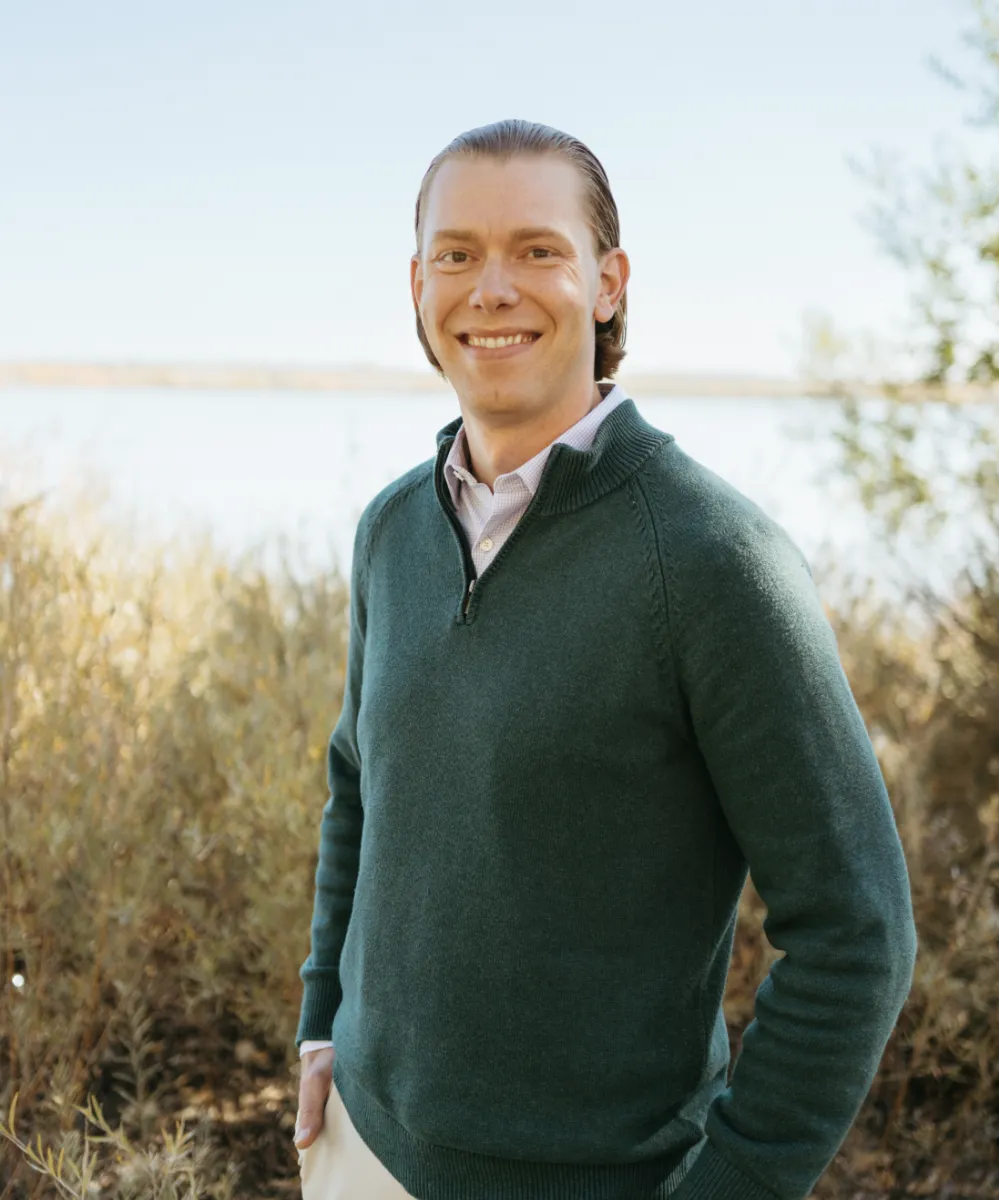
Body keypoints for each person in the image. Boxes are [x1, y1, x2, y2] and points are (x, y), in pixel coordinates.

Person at [291, 118, 918, 1200]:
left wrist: (733, 1184)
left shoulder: (713, 561)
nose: (491, 288)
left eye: (537, 250)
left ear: (608, 283)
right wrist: (320, 1026)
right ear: (418, 285)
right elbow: (358, 784)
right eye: (456, 254)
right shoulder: (391, 531)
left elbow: (857, 934)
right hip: (356, 1153)